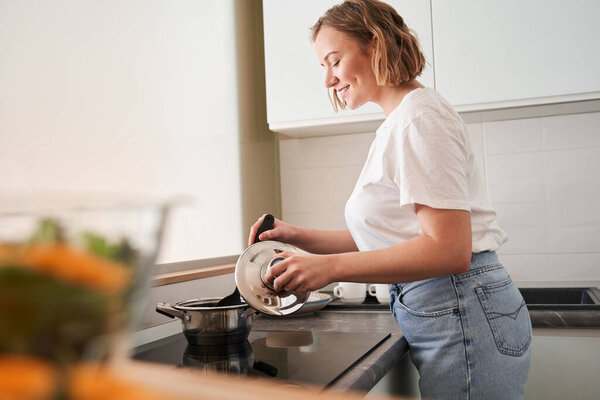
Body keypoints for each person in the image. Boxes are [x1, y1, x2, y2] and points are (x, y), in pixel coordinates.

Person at [248, 0, 532, 399]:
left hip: (460, 304)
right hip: (449, 307)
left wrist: (328, 269)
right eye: (323, 68)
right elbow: (388, 237)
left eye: (335, 61)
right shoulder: (399, 121)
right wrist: (295, 235)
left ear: (375, 45)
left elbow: (450, 250)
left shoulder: (420, 119)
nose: (328, 80)